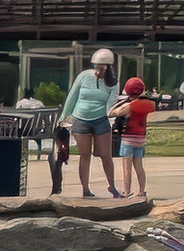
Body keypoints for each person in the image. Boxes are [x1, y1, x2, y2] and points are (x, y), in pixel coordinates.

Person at [60, 48, 121, 197]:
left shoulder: (113, 83)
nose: (98, 70)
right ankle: (85, 189)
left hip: (101, 120)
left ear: (108, 67)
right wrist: (65, 116)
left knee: (106, 155)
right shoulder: (84, 76)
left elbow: (111, 103)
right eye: (96, 66)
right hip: (81, 118)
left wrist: (111, 117)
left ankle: (112, 187)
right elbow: (72, 95)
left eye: (102, 67)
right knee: (84, 155)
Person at [110, 76, 156, 197]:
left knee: (127, 168)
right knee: (139, 166)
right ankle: (142, 191)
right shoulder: (149, 104)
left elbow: (112, 113)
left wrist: (121, 102)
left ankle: (126, 191)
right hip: (141, 139)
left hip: (128, 139)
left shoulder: (130, 106)